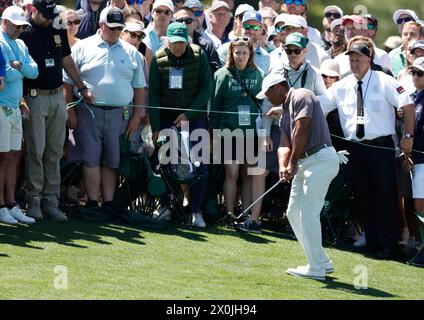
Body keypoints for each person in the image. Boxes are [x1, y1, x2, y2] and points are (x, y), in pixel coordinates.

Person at [319, 42, 415, 260]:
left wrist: (407, 137)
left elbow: (407, 105)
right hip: (355, 148)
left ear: (368, 59)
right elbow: (319, 106)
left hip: (380, 146)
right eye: (351, 59)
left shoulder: (384, 81)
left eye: (358, 59)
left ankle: (389, 244)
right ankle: (372, 242)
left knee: (385, 195)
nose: (354, 63)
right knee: (363, 195)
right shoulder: (342, 86)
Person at [257, 72, 340, 280]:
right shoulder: (284, 114)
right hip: (305, 162)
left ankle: (315, 268)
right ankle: (321, 260)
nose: (267, 98)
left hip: (320, 158)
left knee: (308, 213)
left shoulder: (302, 95)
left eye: (268, 93)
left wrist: (292, 163)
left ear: (279, 87)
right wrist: (284, 165)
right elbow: (285, 143)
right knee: (294, 212)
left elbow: (302, 130)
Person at [63, 6, 146, 211]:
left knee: (112, 159)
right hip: (87, 112)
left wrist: (136, 117)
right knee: (90, 157)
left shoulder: (131, 52)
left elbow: (139, 87)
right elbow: (67, 83)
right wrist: (70, 111)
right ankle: (92, 201)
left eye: (119, 28)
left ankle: (108, 202)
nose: (116, 32)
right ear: (101, 25)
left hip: (120, 114)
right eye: (112, 28)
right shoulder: (83, 47)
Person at [20, 0, 93, 221]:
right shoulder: (24, 32)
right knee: (36, 151)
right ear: (33, 10)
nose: (49, 18)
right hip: (34, 98)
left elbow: (66, 60)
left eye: (51, 14)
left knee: (54, 152)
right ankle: (33, 201)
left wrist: (81, 86)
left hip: (56, 97)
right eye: (44, 14)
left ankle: (50, 202)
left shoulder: (57, 27)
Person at [149, 22, 212, 227]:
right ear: (167, 40)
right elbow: (154, 96)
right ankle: (166, 206)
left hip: (195, 118)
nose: (178, 47)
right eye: (175, 43)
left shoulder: (198, 55)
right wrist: (156, 127)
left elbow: (206, 88)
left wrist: (189, 113)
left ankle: (196, 211)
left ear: (187, 41)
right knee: (165, 163)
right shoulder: (158, 59)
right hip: (168, 118)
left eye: (182, 43)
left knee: (199, 165)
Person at [211, 37, 263, 226]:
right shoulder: (222, 75)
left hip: (250, 131)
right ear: (231, 54)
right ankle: (230, 212)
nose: (240, 56)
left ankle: (248, 215)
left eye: (244, 52)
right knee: (231, 172)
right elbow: (215, 106)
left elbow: (263, 105)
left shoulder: (258, 74)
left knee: (248, 173)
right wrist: (214, 133)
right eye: (237, 52)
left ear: (250, 54)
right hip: (228, 130)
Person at [0, 6, 38, 225]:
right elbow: (6, 75)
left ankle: (11, 204)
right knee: (3, 158)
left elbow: (34, 71)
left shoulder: (21, 44)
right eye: (17, 26)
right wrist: (18, 70)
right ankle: (1, 206)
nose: (20, 30)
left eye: (22, 26)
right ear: (5, 22)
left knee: (14, 156)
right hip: (2, 106)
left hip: (15, 106)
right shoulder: (1, 42)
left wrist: (19, 66)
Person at [405, 57, 424, 266]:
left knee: (421, 204)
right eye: (414, 73)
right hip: (417, 158)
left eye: (420, 74)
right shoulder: (414, 97)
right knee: (418, 204)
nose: (416, 77)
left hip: (422, 157)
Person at [218, 10, 270, 74]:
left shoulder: (265, 56)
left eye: (256, 27)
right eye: (247, 26)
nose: (251, 31)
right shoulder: (225, 50)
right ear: (241, 26)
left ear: (262, 30)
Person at [176, 5, 221, 75]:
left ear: (194, 23)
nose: (183, 24)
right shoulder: (167, 44)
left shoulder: (207, 45)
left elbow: (216, 73)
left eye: (188, 20)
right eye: (180, 21)